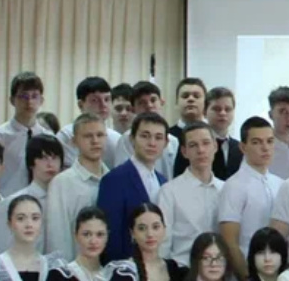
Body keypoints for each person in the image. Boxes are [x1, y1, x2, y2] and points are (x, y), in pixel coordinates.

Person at [219, 116, 285, 281]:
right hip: (246, 275)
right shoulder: (234, 186)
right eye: (256, 142)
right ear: (243, 147)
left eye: (270, 141)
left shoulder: (281, 184)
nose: (265, 148)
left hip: (279, 275)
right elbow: (229, 240)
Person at [97, 112, 170, 261]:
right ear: (132, 139)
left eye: (158, 137)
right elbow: (111, 234)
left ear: (166, 143)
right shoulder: (114, 179)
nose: (152, 143)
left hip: (157, 264)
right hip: (126, 266)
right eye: (145, 136)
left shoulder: (163, 181)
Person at [158, 121, 224, 264]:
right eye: (193, 145)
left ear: (215, 146)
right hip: (182, 268)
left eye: (206, 143)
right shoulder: (169, 191)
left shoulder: (226, 189)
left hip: (219, 269)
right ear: (184, 151)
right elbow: (163, 243)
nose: (201, 150)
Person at [46, 114, 109, 262]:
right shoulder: (62, 183)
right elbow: (57, 237)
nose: (95, 141)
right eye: (88, 136)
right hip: (74, 268)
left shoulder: (113, 179)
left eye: (100, 135)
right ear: (74, 141)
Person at [0, 72, 53, 196]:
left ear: (41, 100)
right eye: (23, 96)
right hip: (6, 200)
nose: (29, 102)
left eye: (34, 96)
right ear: (12, 100)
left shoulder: (49, 139)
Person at [56, 77, 124, 171]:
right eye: (95, 100)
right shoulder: (66, 135)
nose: (103, 105)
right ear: (81, 105)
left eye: (107, 99)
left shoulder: (117, 139)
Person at [115, 82, 180, 168]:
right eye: (142, 102)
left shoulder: (173, 141)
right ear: (133, 109)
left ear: (161, 102)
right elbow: (121, 171)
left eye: (153, 100)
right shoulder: (127, 139)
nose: (149, 105)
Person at [169, 77, 209, 176]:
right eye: (185, 96)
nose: (191, 99)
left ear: (205, 103)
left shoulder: (213, 135)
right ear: (176, 102)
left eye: (196, 96)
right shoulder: (167, 137)